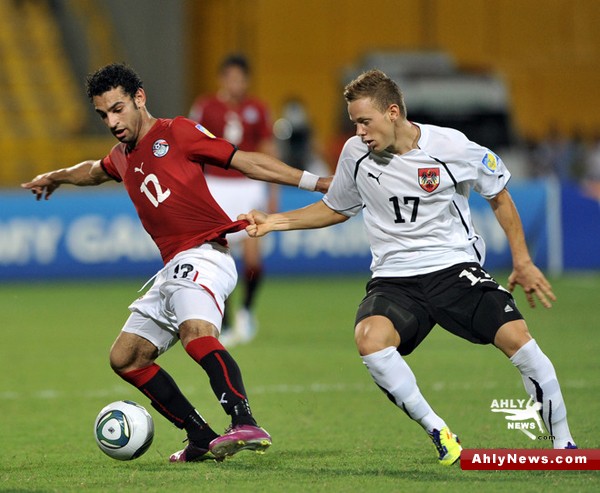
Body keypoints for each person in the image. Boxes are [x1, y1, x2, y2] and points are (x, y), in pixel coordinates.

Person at [240, 69, 577, 466]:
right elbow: (336, 207)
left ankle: (565, 445)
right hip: (394, 278)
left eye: (365, 121)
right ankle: (438, 430)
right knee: (370, 338)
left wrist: (522, 259)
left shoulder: (450, 147)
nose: (360, 132)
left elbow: (499, 194)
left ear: (393, 112)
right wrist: (275, 222)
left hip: (453, 268)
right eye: (355, 123)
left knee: (519, 340)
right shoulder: (355, 153)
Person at [21, 63, 328, 463]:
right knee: (126, 358)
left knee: (196, 331)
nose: (112, 121)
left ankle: (244, 421)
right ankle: (199, 435)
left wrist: (316, 182)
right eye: (104, 115)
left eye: (118, 109)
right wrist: (56, 175)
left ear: (139, 98)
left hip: (205, 253)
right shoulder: (122, 156)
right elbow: (93, 171)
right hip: (173, 266)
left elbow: (245, 161)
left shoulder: (177, 132)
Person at [188, 54, 276, 346]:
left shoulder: (258, 109)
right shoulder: (206, 106)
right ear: (222, 79)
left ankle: (247, 311)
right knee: (215, 257)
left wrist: (271, 192)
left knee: (252, 256)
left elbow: (267, 152)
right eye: (231, 78)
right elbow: (190, 148)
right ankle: (223, 321)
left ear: (246, 80)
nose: (236, 84)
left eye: (241, 78)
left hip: (248, 186)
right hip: (216, 186)